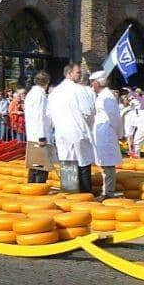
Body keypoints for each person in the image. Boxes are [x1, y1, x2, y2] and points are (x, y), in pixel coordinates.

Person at [47, 63, 95, 193]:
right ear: (69, 73)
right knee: (83, 163)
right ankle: (85, 194)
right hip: (78, 131)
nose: (80, 75)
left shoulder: (54, 92)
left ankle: (69, 193)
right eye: (78, 72)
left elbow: (49, 115)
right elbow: (88, 112)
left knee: (67, 162)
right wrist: (88, 127)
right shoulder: (79, 90)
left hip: (61, 133)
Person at [90, 70, 123, 198]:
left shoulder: (108, 97)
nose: (92, 85)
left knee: (108, 164)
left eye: (93, 82)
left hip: (107, 134)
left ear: (98, 83)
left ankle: (108, 192)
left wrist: (119, 133)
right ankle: (106, 191)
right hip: (102, 134)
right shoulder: (102, 96)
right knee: (104, 163)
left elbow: (115, 117)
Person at [24, 70, 52, 183]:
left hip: (32, 134)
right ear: (47, 82)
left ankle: (31, 188)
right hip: (40, 135)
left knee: (34, 166)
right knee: (41, 166)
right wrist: (42, 137)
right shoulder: (40, 96)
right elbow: (40, 116)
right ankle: (38, 190)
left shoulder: (31, 94)